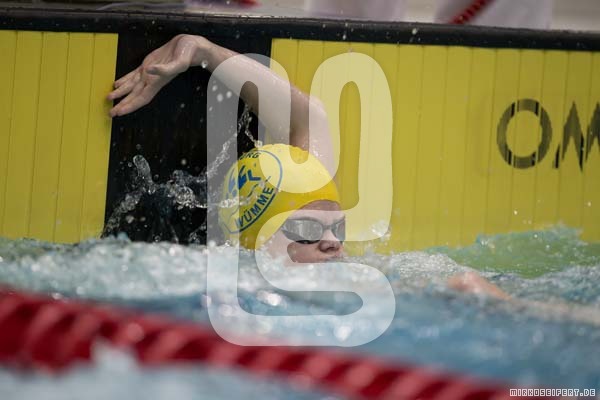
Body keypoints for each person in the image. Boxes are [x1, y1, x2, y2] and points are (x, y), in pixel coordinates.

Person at [107, 34, 508, 299]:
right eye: (307, 231)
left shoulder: (354, 275)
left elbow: (310, 117)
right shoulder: (236, 282)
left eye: (338, 228)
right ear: (256, 241)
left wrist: (202, 51)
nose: (333, 244)